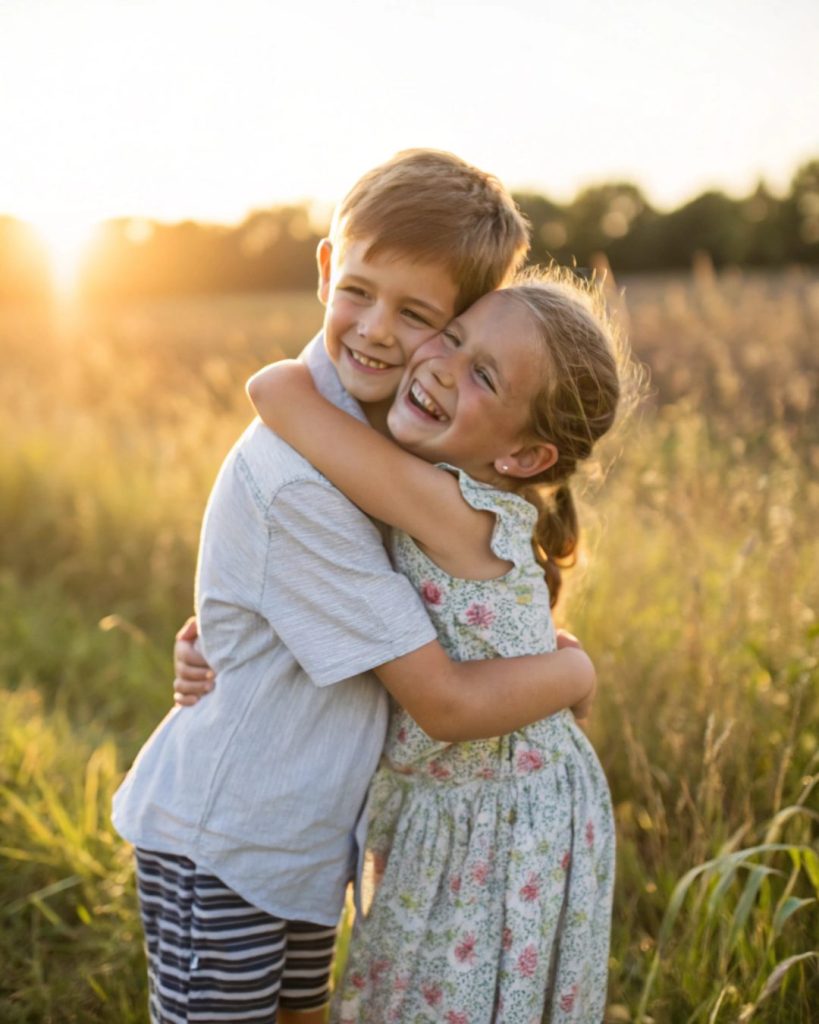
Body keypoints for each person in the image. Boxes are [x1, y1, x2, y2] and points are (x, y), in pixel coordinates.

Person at [112, 150, 598, 1024]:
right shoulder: (308, 475)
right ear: (328, 266)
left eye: (424, 317)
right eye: (360, 292)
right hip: (232, 840)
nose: (378, 332)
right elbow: (433, 688)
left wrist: (221, 632)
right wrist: (571, 673)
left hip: (302, 835)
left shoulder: (398, 447)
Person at [244, 268, 622, 1022]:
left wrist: (575, 668)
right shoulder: (441, 489)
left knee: (450, 997)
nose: (441, 365)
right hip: (479, 801)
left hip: (497, 815)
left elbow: (274, 392)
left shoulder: (443, 504)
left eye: (481, 374)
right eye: (451, 335)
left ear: (521, 457)